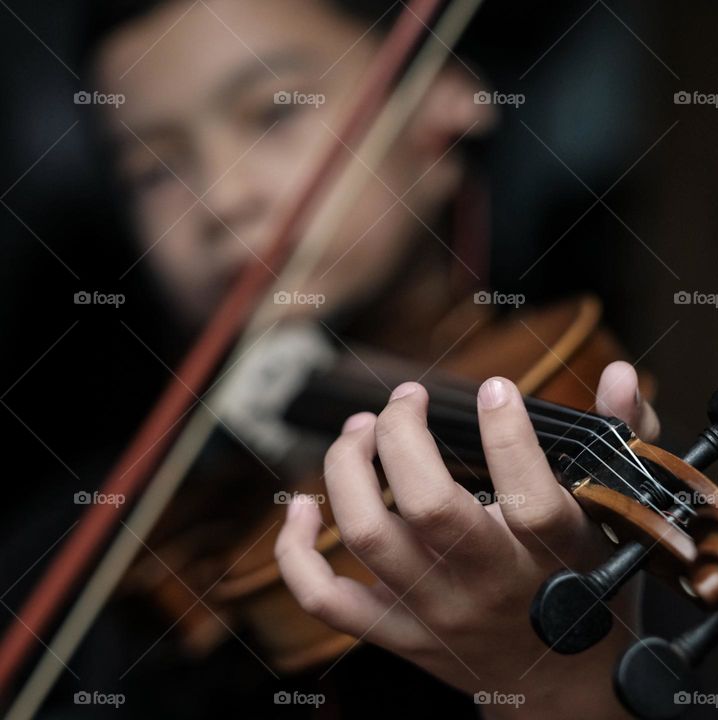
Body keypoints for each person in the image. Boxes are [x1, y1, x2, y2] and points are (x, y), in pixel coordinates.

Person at [84, 0, 661, 716]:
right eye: (153, 169)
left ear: (447, 101)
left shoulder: (566, 484)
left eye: (273, 113)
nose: (220, 198)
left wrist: (556, 679)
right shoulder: (102, 525)